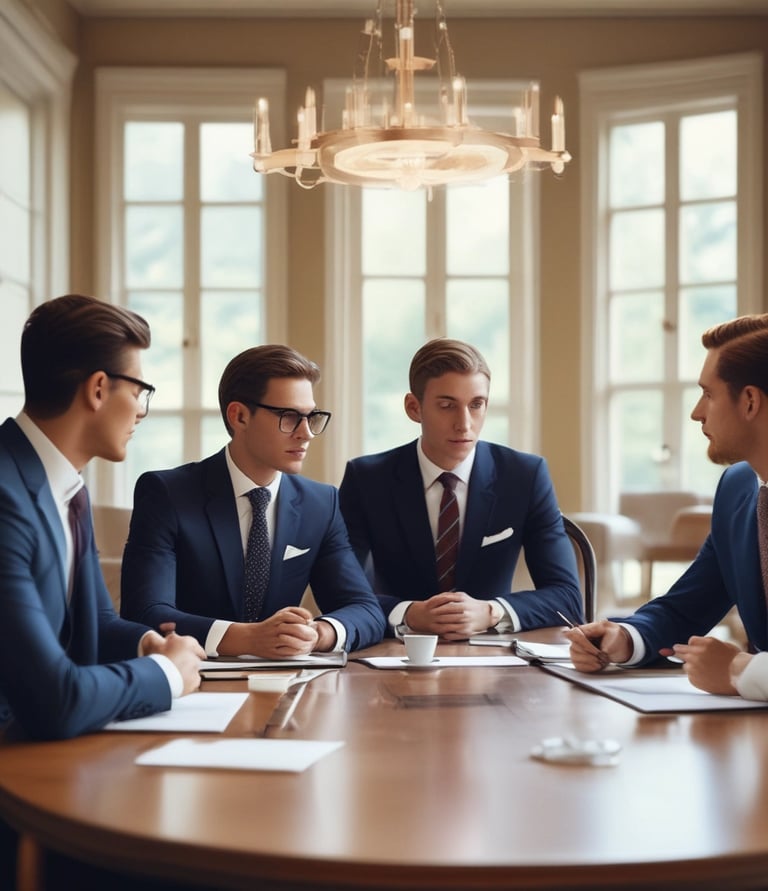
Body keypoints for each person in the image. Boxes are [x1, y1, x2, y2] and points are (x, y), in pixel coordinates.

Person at [0, 294, 205, 888]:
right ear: (97, 388)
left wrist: (148, 644)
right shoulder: (6, 497)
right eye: (139, 389)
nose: (142, 408)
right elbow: (53, 699)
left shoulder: (68, 487)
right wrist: (167, 677)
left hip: (52, 757)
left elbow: (93, 624)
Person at [120, 345, 386, 657]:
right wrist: (248, 638)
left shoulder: (320, 503)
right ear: (240, 416)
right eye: (289, 417)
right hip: (191, 681)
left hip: (285, 684)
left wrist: (316, 634)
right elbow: (146, 612)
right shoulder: (166, 493)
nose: (306, 433)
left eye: (311, 417)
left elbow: (366, 611)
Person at [565, 314, 768, 701]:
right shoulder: (737, 488)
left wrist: (740, 670)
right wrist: (625, 638)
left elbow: (740, 667)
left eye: (708, 394)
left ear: (750, 401)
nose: (696, 412)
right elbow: (687, 608)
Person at [338, 337, 583, 639]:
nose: (464, 424)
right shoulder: (367, 479)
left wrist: (491, 612)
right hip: (395, 652)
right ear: (414, 408)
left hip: (496, 659)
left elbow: (568, 598)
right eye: (447, 406)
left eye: (476, 405)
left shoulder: (524, 476)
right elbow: (341, 594)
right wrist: (408, 613)